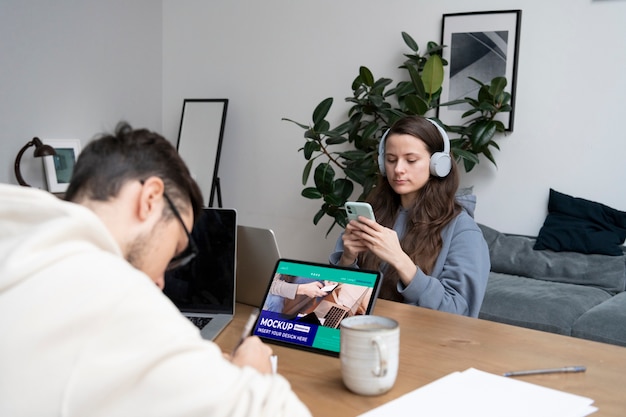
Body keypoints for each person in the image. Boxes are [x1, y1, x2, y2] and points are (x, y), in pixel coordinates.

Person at [0, 122, 310, 416]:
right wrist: (250, 371)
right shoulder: (113, 293)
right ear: (149, 198)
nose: (161, 281)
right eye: (175, 250)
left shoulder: (19, 227)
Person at [330, 115, 490, 317]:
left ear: (438, 164)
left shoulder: (463, 231)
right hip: (366, 333)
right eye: (390, 160)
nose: (398, 169)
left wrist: (400, 261)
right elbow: (338, 301)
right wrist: (347, 259)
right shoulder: (374, 214)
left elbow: (460, 313)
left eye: (411, 160)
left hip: (423, 342)